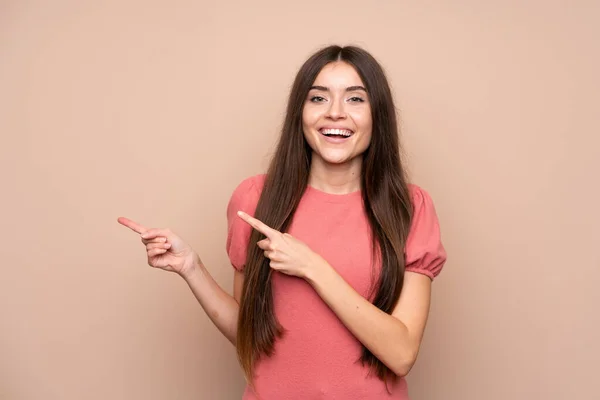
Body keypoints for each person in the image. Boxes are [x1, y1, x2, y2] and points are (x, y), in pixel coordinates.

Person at [118, 44, 447, 400]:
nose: (335, 113)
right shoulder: (256, 199)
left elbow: (401, 354)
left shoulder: (409, 208)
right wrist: (191, 268)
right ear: (300, 113)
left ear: (377, 115)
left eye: (355, 99)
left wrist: (312, 266)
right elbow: (251, 333)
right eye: (318, 98)